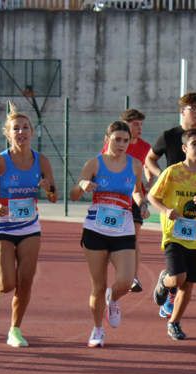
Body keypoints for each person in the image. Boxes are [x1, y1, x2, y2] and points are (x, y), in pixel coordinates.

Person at [0, 106, 57, 348]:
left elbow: (54, 196)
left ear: (32, 131)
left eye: (25, 127)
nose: (21, 132)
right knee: (7, 284)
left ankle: (15, 329)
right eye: (16, 128)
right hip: (3, 227)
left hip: (29, 226)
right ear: (8, 134)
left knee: (26, 281)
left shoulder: (42, 160)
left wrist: (47, 188)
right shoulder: (0, 161)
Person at [145, 92, 196, 318]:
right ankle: (171, 287)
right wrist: (162, 176)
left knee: (188, 269)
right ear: (182, 111)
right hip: (173, 204)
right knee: (177, 257)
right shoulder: (169, 135)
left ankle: (170, 287)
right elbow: (149, 158)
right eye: (194, 108)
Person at [73, 121, 146, 347]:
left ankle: (113, 298)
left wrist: (141, 203)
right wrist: (83, 185)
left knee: (125, 280)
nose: (122, 144)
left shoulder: (135, 165)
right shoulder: (94, 163)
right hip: (96, 228)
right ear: (108, 139)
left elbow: (136, 191)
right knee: (98, 284)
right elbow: (74, 194)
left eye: (126, 140)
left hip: (123, 228)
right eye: (117, 140)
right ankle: (97, 329)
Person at [101, 109, 151, 293]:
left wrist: (150, 176)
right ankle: (106, 275)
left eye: (141, 124)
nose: (139, 128)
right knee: (109, 239)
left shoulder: (146, 147)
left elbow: (150, 164)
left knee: (134, 238)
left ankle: (133, 277)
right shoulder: (114, 144)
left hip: (135, 196)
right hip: (113, 199)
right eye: (135, 124)